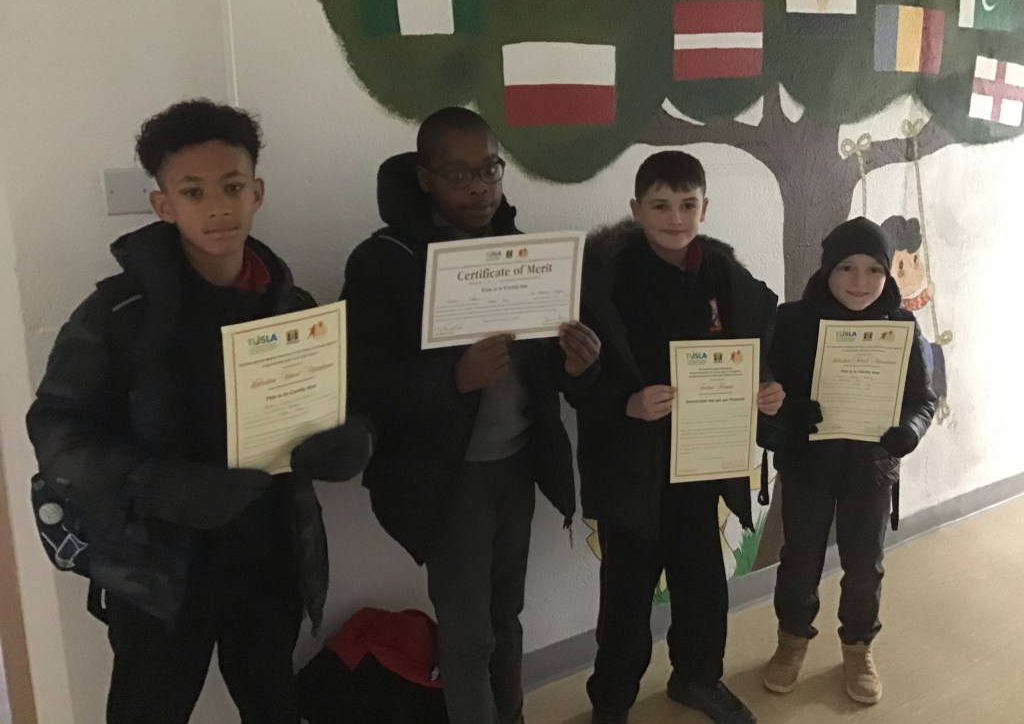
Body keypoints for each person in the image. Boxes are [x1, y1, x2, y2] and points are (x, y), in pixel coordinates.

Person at [26, 99, 372, 724]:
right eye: (193, 192)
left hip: (270, 559)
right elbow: (55, 430)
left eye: (232, 186)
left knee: (273, 705)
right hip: (156, 573)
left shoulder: (292, 306)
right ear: (163, 205)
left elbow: (334, 406)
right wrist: (156, 485)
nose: (217, 207)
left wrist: (351, 439)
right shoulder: (118, 314)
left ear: (257, 192)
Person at [342, 106, 600, 724]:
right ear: (424, 178)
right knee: (466, 635)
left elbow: (541, 369)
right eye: (458, 175)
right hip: (447, 476)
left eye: (490, 169)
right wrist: (451, 379)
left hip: (515, 464)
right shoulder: (384, 260)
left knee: (506, 618)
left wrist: (574, 365)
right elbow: (360, 382)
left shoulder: (519, 250)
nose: (480, 187)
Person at [565, 150, 783, 724]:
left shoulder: (723, 274)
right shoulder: (602, 281)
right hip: (630, 468)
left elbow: (756, 345)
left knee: (704, 585)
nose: (676, 217)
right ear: (636, 209)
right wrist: (626, 404)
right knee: (625, 602)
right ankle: (611, 702)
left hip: (700, 464)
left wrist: (764, 387)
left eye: (688, 204)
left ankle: (697, 679)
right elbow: (573, 378)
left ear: (704, 208)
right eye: (660, 205)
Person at [761, 217, 936, 704]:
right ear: (826, 269)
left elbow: (923, 399)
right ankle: (791, 642)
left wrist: (909, 431)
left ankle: (858, 648)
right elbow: (767, 392)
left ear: (887, 273)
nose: (860, 282)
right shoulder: (791, 322)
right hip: (807, 468)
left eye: (874, 270)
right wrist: (790, 412)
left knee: (865, 566)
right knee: (799, 563)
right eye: (846, 268)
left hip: (871, 472)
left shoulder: (901, 326)